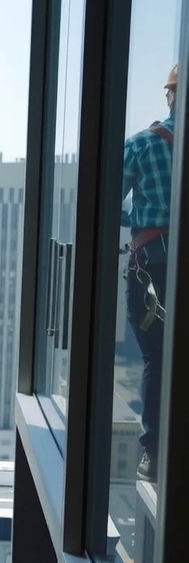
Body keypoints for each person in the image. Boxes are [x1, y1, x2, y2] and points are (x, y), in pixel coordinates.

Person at [121, 64, 177, 482]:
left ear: (169, 96)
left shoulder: (143, 144)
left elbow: (106, 199)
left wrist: (141, 219)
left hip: (153, 262)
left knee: (156, 358)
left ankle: (154, 454)